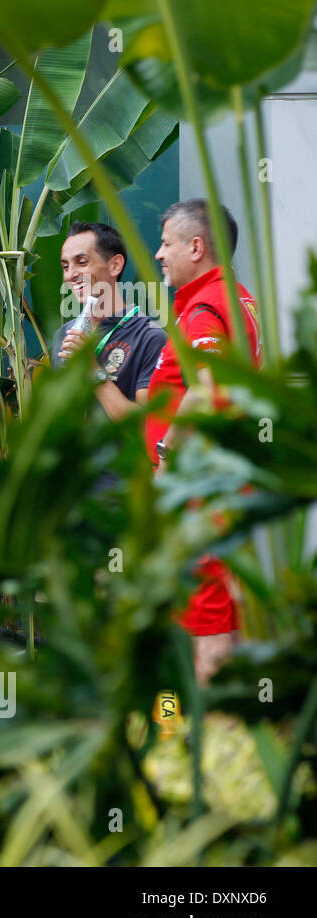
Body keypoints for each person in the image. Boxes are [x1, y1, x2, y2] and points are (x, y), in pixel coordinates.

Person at [147, 199, 262, 684]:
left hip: (198, 487)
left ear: (196, 246)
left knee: (204, 620)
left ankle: (205, 739)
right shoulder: (232, 299)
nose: (157, 254)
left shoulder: (207, 306)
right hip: (213, 483)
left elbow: (209, 384)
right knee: (215, 611)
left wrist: (167, 455)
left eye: (167, 243)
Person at [54, 222, 167, 419]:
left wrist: (92, 368)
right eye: (65, 266)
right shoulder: (64, 334)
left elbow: (147, 425)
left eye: (81, 262)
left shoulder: (149, 336)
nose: (71, 275)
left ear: (115, 265)